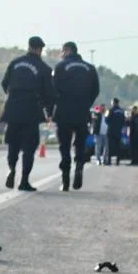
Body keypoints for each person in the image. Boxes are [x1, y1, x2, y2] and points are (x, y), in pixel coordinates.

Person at [1, 35, 55, 191]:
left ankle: (11, 168)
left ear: (29, 46)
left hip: (13, 108)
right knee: (29, 148)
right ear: (39, 49)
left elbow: (5, 84)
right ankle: (24, 180)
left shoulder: (15, 63)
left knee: (13, 143)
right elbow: (49, 94)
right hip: (31, 110)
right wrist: (48, 110)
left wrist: (12, 97)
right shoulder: (44, 68)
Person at [51, 42, 100, 191]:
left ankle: (65, 180)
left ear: (67, 50)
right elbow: (95, 90)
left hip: (64, 112)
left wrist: (55, 105)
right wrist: (86, 103)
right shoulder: (90, 69)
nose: (61, 54)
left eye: (62, 51)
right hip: (82, 113)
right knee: (80, 144)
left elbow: (53, 89)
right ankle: (79, 165)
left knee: (64, 146)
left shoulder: (59, 67)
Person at [104, 98, 125, 166]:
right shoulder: (122, 111)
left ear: (113, 103)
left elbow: (106, 119)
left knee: (109, 146)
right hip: (118, 131)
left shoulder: (110, 110)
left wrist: (111, 124)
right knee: (118, 146)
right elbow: (123, 121)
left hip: (111, 131)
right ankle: (117, 161)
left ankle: (109, 161)